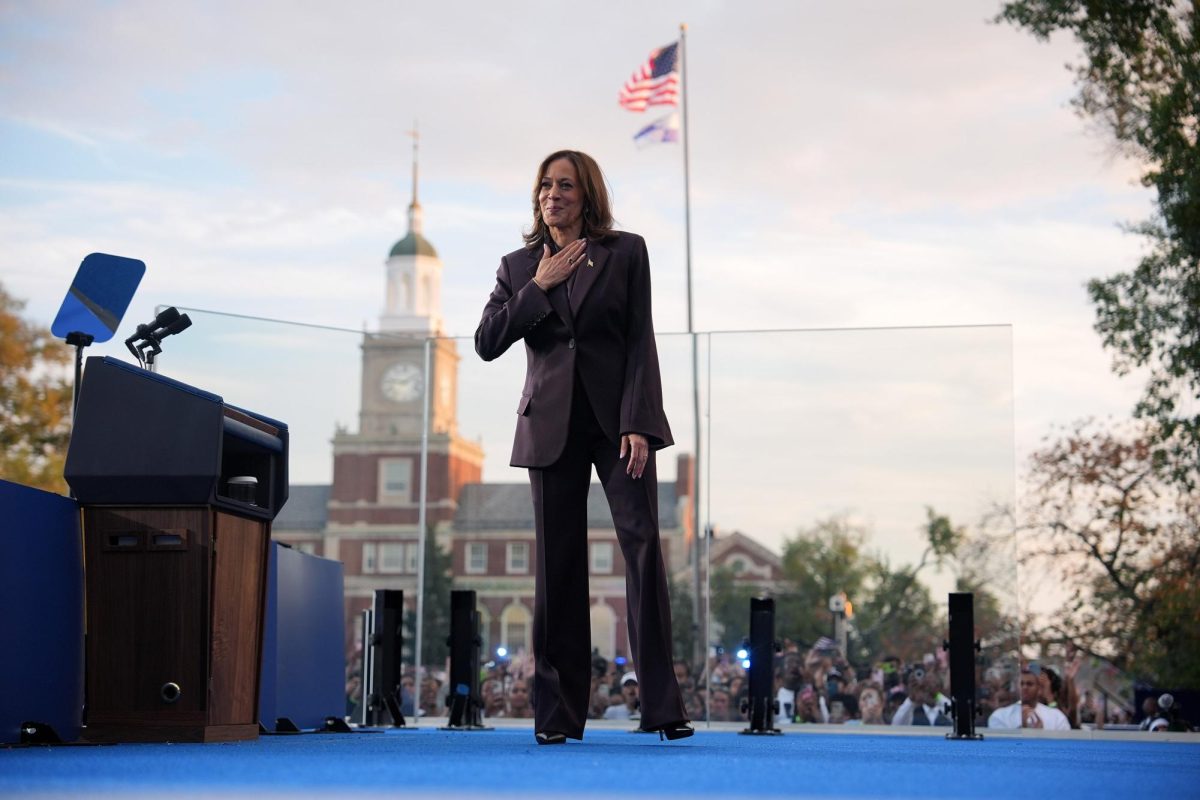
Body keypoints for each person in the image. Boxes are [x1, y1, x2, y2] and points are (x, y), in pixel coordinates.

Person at [475, 149, 690, 746]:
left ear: (587, 194)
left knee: (643, 548)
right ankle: (558, 716)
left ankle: (662, 707)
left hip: (617, 423)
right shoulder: (518, 266)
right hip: (549, 426)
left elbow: (639, 340)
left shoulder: (625, 252)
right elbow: (487, 341)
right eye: (545, 185)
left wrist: (639, 422)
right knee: (557, 565)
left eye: (565, 185)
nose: (553, 194)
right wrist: (539, 288)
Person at [987, 667, 1070, 730]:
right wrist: (1023, 728)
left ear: (1039, 689)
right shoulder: (1000, 715)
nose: (1025, 687)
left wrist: (1042, 735)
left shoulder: (1057, 716)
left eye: (1029, 684)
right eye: (1021, 684)